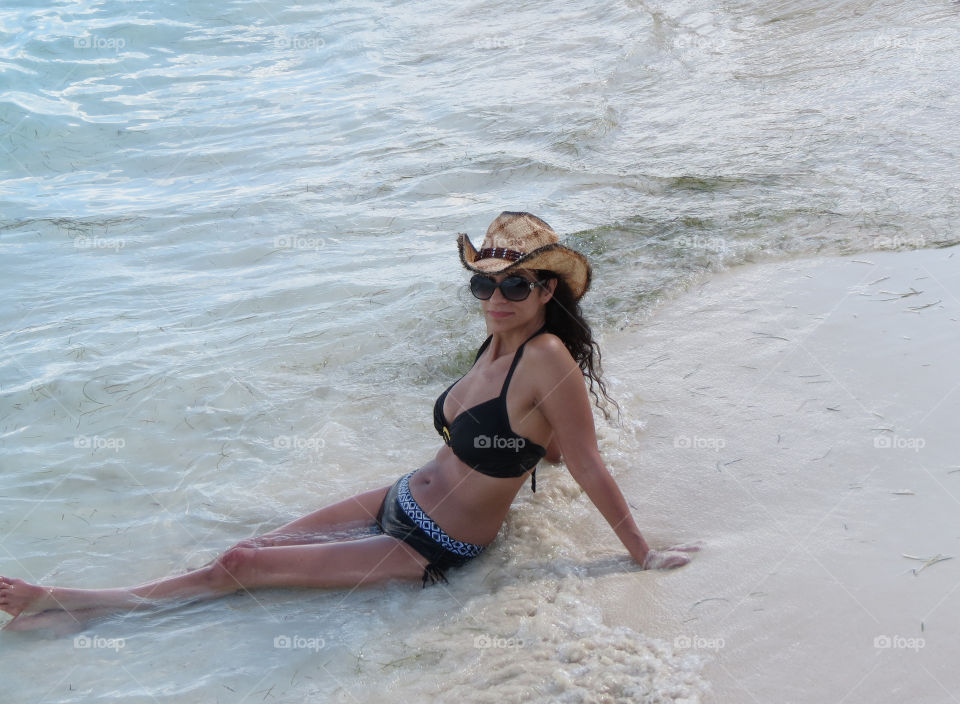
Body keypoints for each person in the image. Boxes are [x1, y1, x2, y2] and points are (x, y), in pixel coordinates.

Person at [0, 211, 698, 631]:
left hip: (429, 550)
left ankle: (80, 603)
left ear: (547, 289)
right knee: (256, 542)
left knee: (240, 566)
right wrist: (529, 450)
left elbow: (584, 462)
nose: (495, 297)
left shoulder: (547, 357)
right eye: (483, 284)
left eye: (514, 284)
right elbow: (534, 447)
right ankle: (110, 607)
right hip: (396, 497)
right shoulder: (495, 341)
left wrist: (640, 553)